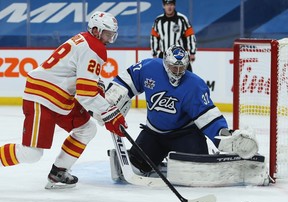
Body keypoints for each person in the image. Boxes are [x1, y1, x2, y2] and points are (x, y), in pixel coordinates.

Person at [0, 11, 127, 189]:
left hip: (60, 98)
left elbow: (85, 81)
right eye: (107, 34)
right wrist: (109, 112)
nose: (109, 38)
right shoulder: (93, 47)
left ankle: (58, 172)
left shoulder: (85, 41)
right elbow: (85, 94)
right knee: (31, 153)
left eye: (112, 34)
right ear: (96, 31)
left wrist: (102, 105)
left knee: (87, 128)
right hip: (43, 97)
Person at [105, 44, 259, 176]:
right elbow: (128, 79)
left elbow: (208, 117)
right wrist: (113, 97)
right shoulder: (149, 68)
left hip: (184, 135)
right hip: (154, 134)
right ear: (165, 63)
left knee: (198, 171)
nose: (177, 71)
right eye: (174, 67)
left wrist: (224, 135)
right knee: (138, 165)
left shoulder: (194, 85)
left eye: (181, 68)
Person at [150, 0, 196, 72]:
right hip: (164, 55)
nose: (169, 7)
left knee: (187, 78)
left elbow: (190, 36)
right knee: (161, 77)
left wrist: (192, 52)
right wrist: (154, 53)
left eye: (171, 4)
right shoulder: (158, 20)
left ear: (174, 5)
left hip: (180, 55)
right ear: (163, 6)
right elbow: (154, 37)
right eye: (167, 5)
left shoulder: (182, 19)